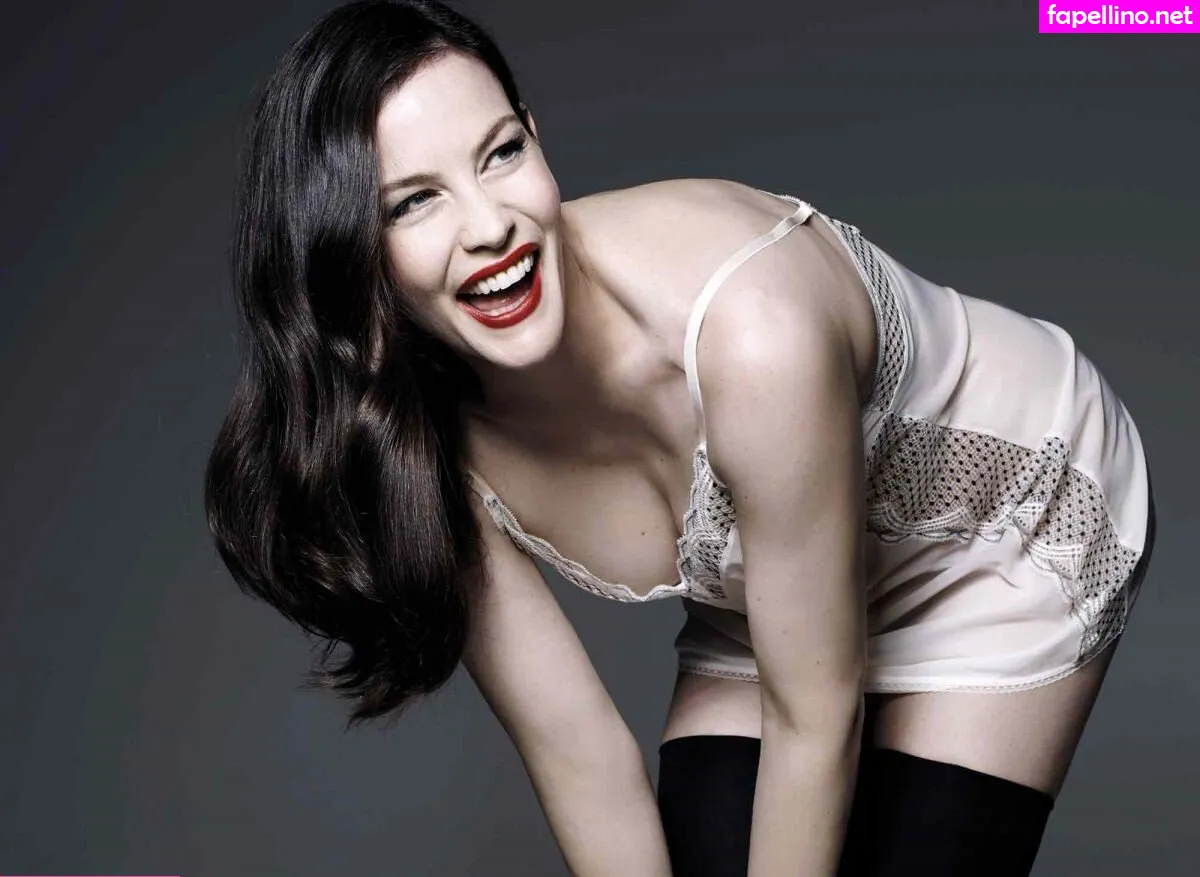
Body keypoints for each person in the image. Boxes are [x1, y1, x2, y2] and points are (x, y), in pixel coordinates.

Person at [203, 1, 1157, 875]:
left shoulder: (753, 330)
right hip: (775, 592)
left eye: (500, 153)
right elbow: (579, 754)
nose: (491, 226)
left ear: (535, 134)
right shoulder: (423, 436)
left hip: (1008, 536)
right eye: (413, 201)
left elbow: (813, 712)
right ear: (346, 253)